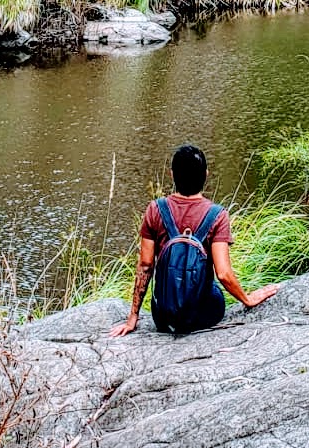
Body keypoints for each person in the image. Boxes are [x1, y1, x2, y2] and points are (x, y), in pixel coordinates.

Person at [109, 144, 279, 336]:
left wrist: (133, 318)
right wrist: (247, 299)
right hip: (203, 314)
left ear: (171, 175)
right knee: (212, 288)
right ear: (206, 174)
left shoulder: (155, 209)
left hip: (164, 317)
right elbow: (223, 274)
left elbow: (146, 265)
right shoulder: (217, 215)